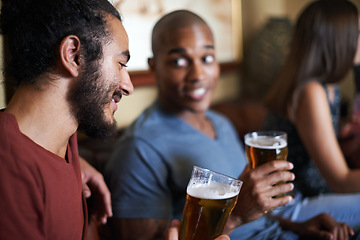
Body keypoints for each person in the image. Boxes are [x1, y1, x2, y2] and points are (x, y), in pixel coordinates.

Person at [104, 9, 356, 240]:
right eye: (179, 61)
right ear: (154, 67)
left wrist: (299, 226)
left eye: (207, 58)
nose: (198, 75)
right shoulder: (140, 147)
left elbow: (256, 216)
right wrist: (236, 215)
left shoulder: (219, 122)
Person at [0, 0, 132, 239]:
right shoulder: (10, 173)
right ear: (73, 55)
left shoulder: (60, 136)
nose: (128, 86)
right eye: (121, 64)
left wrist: (77, 165)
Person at [262, 0, 360, 226]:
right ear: (338, 40)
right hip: (289, 203)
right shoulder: (311, 92)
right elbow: (340, 181)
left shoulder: (328, 87)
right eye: (358, 32)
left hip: (313, 192)